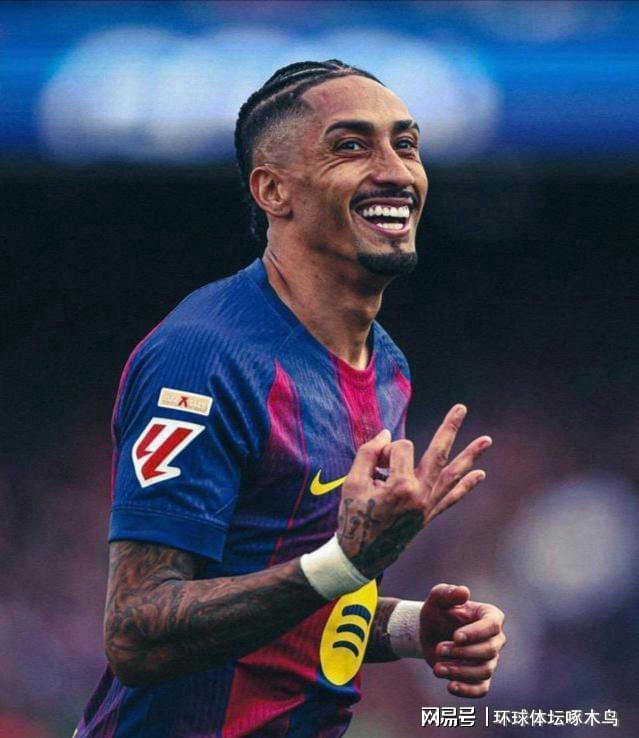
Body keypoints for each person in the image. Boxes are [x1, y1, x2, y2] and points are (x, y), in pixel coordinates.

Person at [74, 59, 506, 738]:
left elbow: (303, 592)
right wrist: (347, 562)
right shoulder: (205, 357)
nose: (395, 170)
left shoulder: (385, 366)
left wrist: (407, 628)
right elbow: (136, 634)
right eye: (351, 146)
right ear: (273, 190)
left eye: (406, 144)